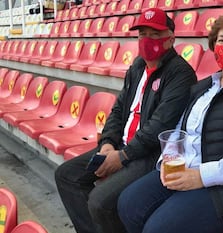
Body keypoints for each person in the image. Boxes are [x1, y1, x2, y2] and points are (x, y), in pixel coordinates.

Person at [117, 10, 223, 233]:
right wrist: (167, 161)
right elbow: (180, 129)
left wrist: (200, 176)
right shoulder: (204, 87)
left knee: (158, 228)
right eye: (222, 40)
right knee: (128, 204)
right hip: (189, 167)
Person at [54, 8, 197, 233]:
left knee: (100, 201)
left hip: (148, 154)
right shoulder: (138, 66)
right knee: (66, 175)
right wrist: (108, 143)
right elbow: (119, 109)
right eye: (142, 34)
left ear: (171, 38)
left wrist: (123, 156)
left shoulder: (180, 73)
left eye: (154, 34)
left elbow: (160, 125)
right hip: (120, 147)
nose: (146, 40)